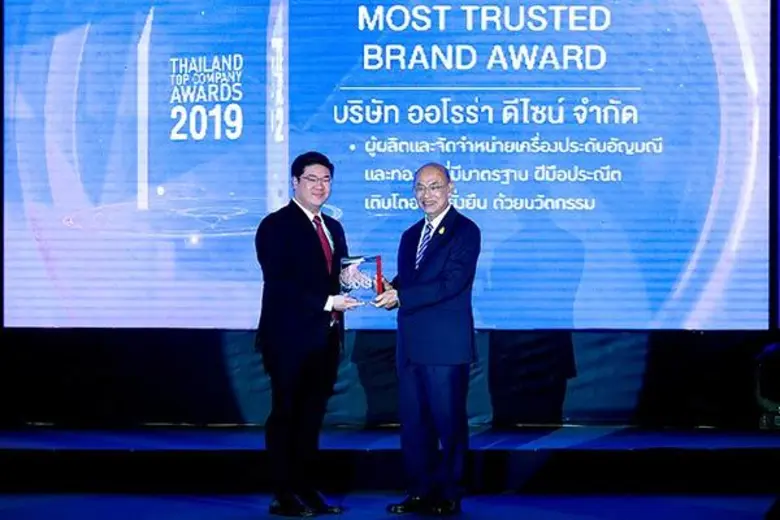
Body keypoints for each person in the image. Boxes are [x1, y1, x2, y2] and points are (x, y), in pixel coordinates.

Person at [255, 151, 361, 517]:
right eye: (312, 179)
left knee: (311, 417)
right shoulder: (275, 225)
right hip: (288, 339)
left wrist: (351, 278)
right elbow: (280, 282)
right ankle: (283, 493)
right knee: (286, 414)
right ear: (295, 182)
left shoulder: (333, 227)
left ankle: (304, 488)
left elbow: (337, 275)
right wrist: (328, 300)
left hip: (325, 338)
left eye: (326, 180)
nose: (320, 186)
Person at [374, 162, 481, 516]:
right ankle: (418, 491)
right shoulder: (410, 235)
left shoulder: (465, 231)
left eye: (434, 186)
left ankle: (449, 493)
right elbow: (409, 281)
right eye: (420, 187)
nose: (426, 194)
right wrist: (385, 287)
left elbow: (452, 283)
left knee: (449, 423)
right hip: (410, 345)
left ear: (451, 187)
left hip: (445, 347)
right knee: (414, 424)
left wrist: (402, 295)